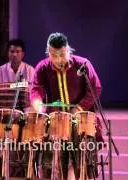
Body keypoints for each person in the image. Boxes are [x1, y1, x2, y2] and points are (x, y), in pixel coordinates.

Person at [30, 32, 103, 179]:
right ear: (48, 52)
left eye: (62, 54)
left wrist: (79, 108)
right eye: (54, 55)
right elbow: (35, 90)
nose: (58, 59)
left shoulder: (83, 65)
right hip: (56, 122)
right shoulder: (42, 67)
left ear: (68, 50)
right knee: (53, 165)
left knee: (83, 164)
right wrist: (39, 106)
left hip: (80, 121)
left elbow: (95, 89)